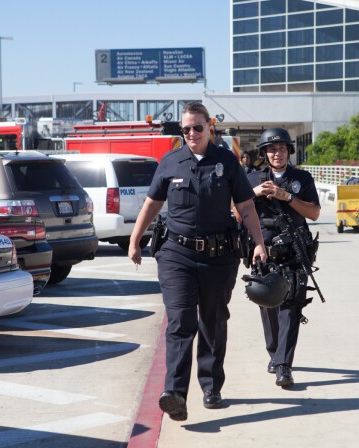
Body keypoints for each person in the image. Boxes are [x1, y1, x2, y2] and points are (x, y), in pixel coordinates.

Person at [128, 102, 267, 421]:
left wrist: (259, 243)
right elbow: (152, 203)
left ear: (210, 127)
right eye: (185, 128)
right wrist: (135, 239)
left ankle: (210, 386)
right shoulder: (170, 161)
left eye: (197, 127)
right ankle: (175, 392)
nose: (191, 133)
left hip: (219, 257)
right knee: (180, 321)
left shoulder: (227, 162)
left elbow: (246, 206)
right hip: (176, 254)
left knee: (213, 322)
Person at [245, 127, 321, 388]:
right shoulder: (252, 178)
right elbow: (234, 212)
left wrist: (286, 196)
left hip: (294, 251)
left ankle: (283, 365)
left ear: (289, 150)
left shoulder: (302, 178)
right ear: (264, 153)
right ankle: (275, 353)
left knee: (290, 306)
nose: (276, 153)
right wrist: (253, 194)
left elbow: (314, 214)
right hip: (262, 250)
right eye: (271, 149)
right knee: (268, 305)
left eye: (280, 148)